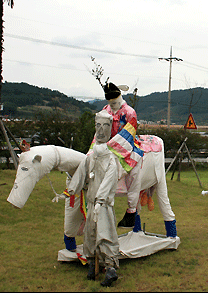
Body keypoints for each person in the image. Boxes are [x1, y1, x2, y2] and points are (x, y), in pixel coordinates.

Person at [67, 111, 120, 287]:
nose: (101, 130)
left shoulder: (112, 160)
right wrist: (70, 190)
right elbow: (81, 173)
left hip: (103, 205)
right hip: (92, 204)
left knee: (105, 235)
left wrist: (100, 200)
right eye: (98, 126)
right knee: (90, 234)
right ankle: (92, 264)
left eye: (105, 126)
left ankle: (111, 268)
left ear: (110, 129)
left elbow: (109, 181)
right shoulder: (91, 157)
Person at [88, 80, 140, 228]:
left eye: (115, 102)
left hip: (126, 146)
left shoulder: (130, 113)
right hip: (104, 146)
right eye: (110, 102)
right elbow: (99, 132)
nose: (112, 105)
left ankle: (131, 209)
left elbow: (128, 134)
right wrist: (93, 149)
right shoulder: (105, 110)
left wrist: (109, 147)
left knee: (134, 172)